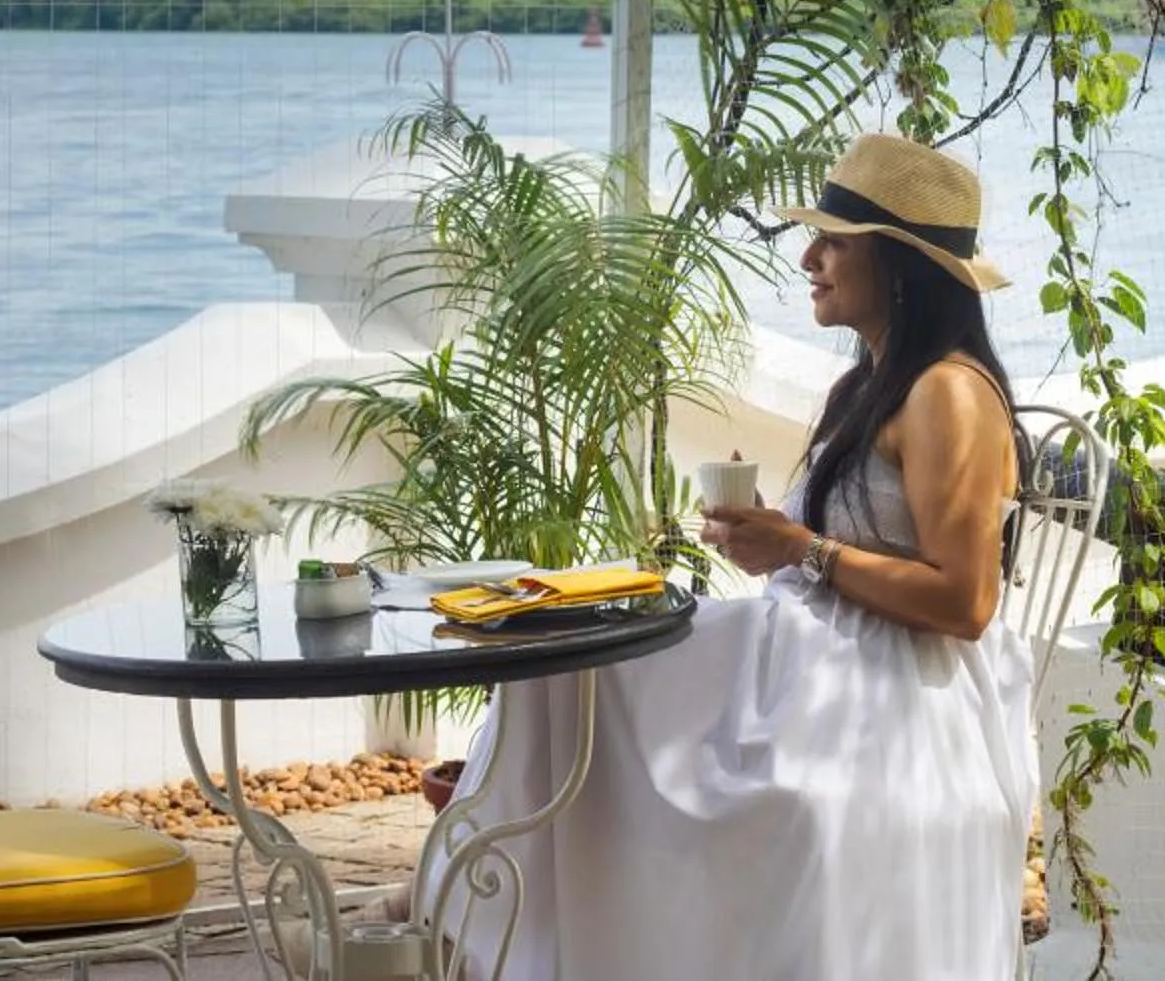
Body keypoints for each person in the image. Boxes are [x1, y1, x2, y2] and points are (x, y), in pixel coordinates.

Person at [421, 133, 1035, 980]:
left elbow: (966, 604)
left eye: (833, 242)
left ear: (897, 265)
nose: (810, 258)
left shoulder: (949, 396)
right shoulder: (870, 384)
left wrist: (804, 550)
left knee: (611, 693)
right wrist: (770, 544)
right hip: (817, 653)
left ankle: (507, 925)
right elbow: (838, 547)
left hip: (895, 691)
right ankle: (513, 922)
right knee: (565, 660)